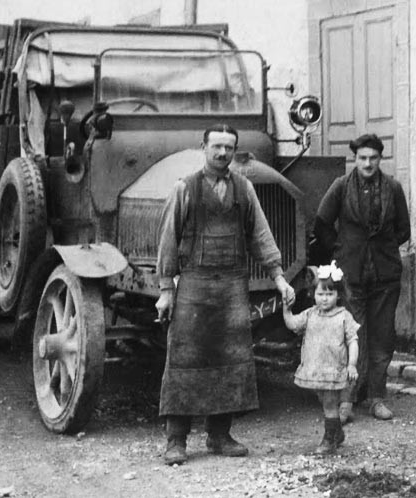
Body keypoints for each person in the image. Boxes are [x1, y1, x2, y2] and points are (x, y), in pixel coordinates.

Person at [155, 124, 296, 465]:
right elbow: (169, 239)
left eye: (228, 148)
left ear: (234, 152)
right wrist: (165, 290)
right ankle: (176, 440)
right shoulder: (184, 188)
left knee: (232, 361)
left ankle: (220, 435)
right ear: (203, 147)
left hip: (233, 285)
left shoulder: (244, 188)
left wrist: (279, 278)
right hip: (194, 285)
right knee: (185, 361)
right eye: (216, 147)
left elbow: (261, 235)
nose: (222, 154)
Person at [314, 133, 410, 423]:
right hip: (351, 275)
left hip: (385, 276)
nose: (368, 163)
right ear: (355, 159)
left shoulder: (392, 188)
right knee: (351, 336)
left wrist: (383, 248)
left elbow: (403, 229)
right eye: (362, 158)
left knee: (382, 337)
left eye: (373, 158)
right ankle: (347, 400)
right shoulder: (341, 187)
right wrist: (342, 250)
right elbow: (321, 223)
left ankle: (377, 398)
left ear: (381, 159)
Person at [283, 261, 359, 455]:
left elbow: (353, 341)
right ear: (312, 294)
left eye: (329, 294)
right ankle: (337, 433)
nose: (325, 299)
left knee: (330, 403)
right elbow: (292, 324)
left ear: (338, 295)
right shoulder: (310, 314)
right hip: (316, 369)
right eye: (320, 294)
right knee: (324, 400)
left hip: (334, 368)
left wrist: (352, 364)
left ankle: (328, 440)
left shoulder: (344, 316)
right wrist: (286, 310)